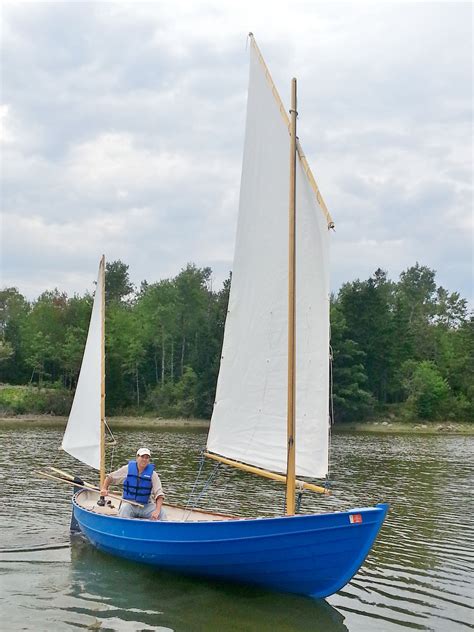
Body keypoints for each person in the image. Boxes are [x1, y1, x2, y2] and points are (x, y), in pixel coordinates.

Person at [100, 447, 166, 520]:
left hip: (145, 506)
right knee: (124, 509)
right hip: (129, 504)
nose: (144, 459)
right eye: (142, 457)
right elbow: (110, 477)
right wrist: (104, 488)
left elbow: (159, 494)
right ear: (137, 458)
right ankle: (123, 529)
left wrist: (157, 510)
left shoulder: (153, 474)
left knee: (161, 512)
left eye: (147, 458)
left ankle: (164, 529)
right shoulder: (127, 469)